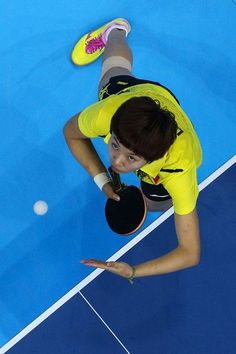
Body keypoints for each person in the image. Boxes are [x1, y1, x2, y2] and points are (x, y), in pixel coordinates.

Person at [64, 18, 202, 283]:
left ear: (150, 160)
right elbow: (71, 133)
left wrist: (135, 270)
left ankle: (144, 193)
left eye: (130, 158)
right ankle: (115, 31)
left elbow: (190, 252)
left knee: (161, 202)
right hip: (137, 96)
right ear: (112, 130)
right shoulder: (108, 113)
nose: (116, 161)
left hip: (167, 134)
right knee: (113, 71)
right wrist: (103, 180)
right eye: (114, 144)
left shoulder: (179, 172)